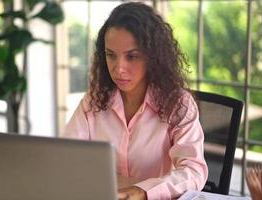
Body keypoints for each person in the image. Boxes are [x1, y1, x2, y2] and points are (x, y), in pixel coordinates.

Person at [62, 2, 208, 200]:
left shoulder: (178, 104)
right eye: (110, 55)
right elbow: (66, 157)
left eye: (132, 56)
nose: (118, 68)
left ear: (153, 56)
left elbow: (194, 170)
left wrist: (144, 192)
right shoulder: (94, 100)